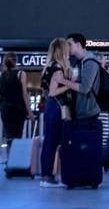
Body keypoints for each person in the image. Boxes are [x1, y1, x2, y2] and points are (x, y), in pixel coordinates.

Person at [39, 38, 72, 187]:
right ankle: (48, 177)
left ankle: (47, 175)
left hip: (50, 106)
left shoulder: (48, 67)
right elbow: (53, 91)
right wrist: (70, 85)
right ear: (61, 50)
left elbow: (46, 91)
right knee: (53, 142)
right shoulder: (58, 67)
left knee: (49, 141)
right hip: (57, 107)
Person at [60, 33, 101, 122]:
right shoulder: (78, 62)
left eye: (69, 44)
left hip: (88, 114)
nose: (67, 47)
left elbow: (84, 88)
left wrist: (62, 80)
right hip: (80, 113)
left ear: (78, 45)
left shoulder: (90, 62)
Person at [0, 52, 33, 150]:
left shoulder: (2, 75)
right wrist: (30, 112)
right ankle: (15, 161)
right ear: (16, 61)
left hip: (5, 110)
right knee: (17, 137)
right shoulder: (21, 73)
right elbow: (24, 94)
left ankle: (10, 160)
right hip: (17, 110)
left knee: (9, 136)